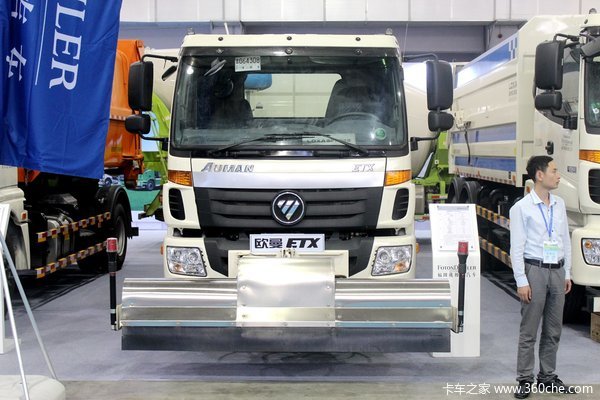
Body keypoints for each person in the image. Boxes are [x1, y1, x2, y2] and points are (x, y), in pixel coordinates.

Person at [509, 155, 574, 398]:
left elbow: (564, 239)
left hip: (557, 270)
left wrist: (567, 272)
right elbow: (516, 248)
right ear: (539, 175)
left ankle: (547, 377)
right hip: (534, 270)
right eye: (554, 171)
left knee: (553, 329)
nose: (558, 176)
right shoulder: (521, 208)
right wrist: (521, 280)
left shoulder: (559, 204)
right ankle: (525, 379)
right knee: (529, 330)